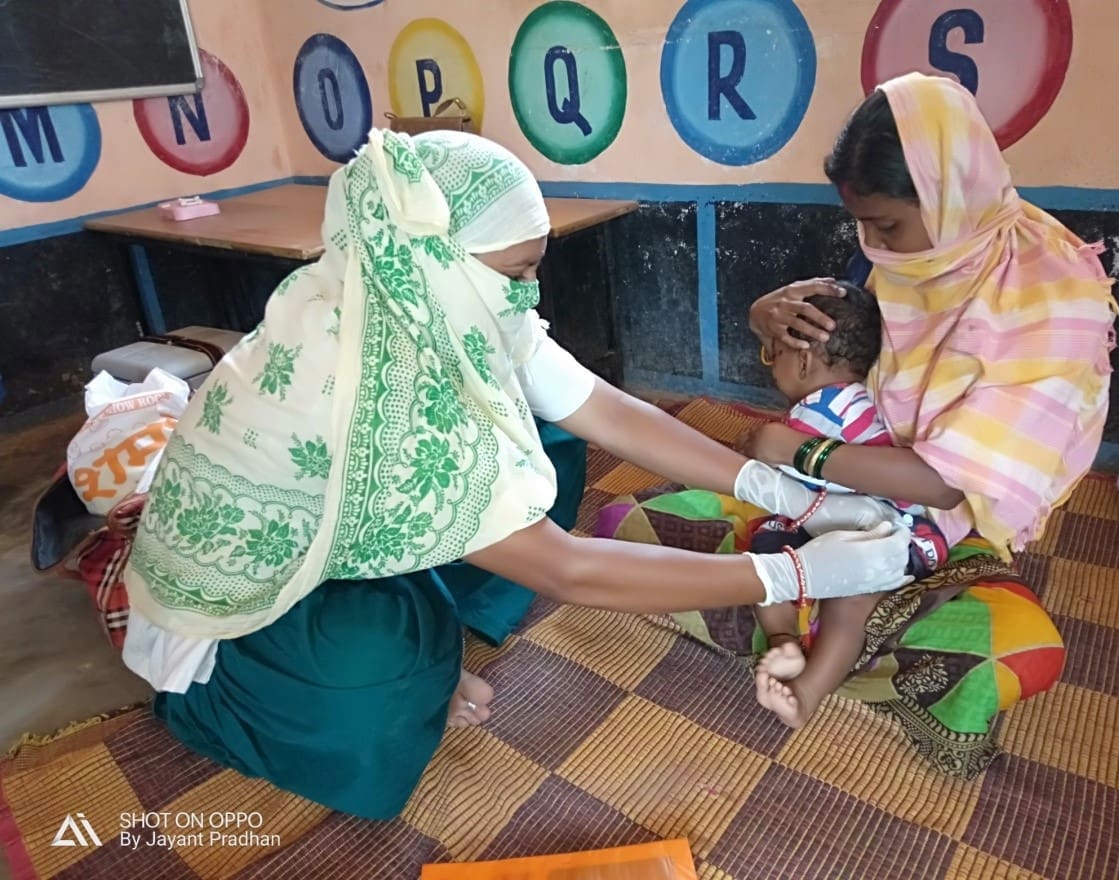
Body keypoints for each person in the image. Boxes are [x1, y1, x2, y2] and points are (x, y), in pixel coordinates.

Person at [121, 128, 912, 820]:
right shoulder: (372, 379)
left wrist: (772, 490)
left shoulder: (414, 287)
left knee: (548, 446)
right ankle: (230, 702)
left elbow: (597, 406)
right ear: (437, 256)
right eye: (518, 270)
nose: (530, 292)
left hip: (320, 547)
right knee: (375, 684)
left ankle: (434, 632)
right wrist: (793, 574)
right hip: (232, 616)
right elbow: (569, 570)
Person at [747, 73, 1119, 751]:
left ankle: (850, 633)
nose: (871, 246)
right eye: (859, 224)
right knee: (707, 526)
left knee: (1006, 646)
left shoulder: (1052, 299)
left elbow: (946, 483)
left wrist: (805, 454)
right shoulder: (919, 250)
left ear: (949, 194)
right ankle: (819, 633)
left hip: (945, 506)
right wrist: (763, 315)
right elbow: (839, 356)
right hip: (870, 473)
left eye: (884, 224)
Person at [751, 282, 949, 728]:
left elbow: (783, 476)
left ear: (802, 359)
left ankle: (785, 642)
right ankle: (804, 689)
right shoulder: (873, 402)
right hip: (893, 530)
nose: (769, 368)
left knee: (773, 556)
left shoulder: (812, 415)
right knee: (842, 584)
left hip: (891, 534)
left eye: (772, 355)